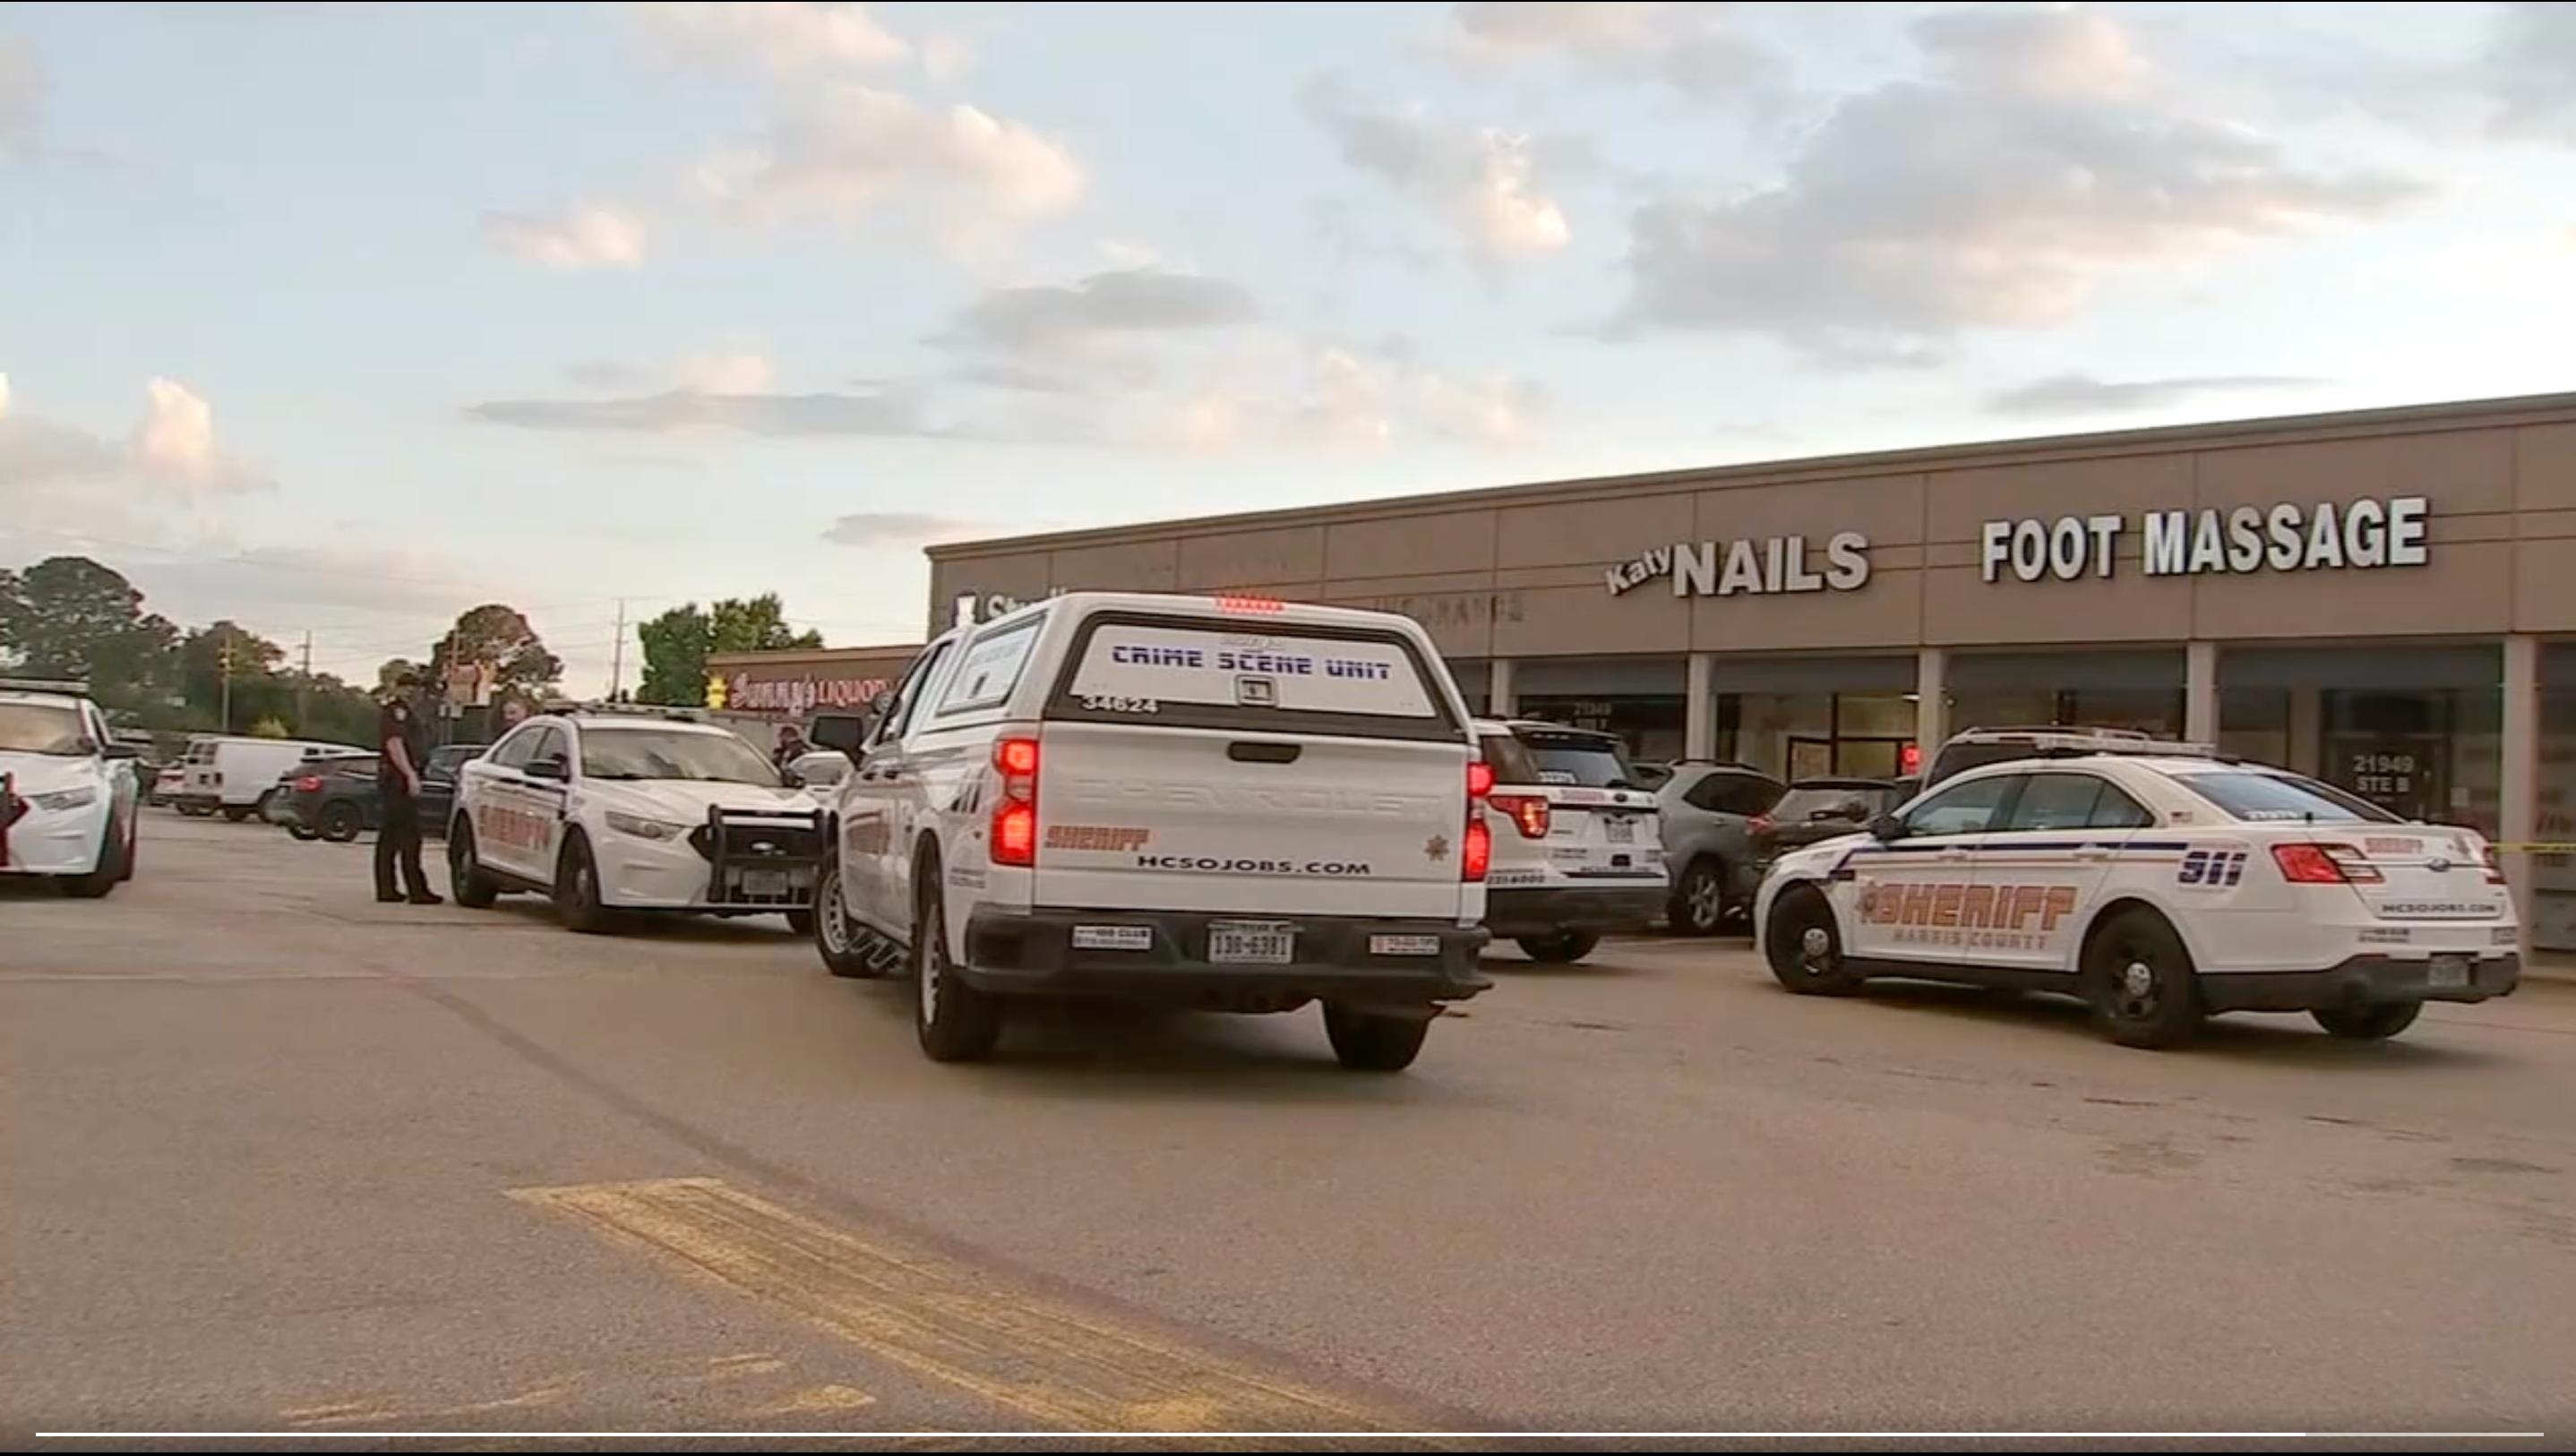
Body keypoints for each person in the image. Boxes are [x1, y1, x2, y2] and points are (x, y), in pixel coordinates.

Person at [374, 672, 442, 905]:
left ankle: (387, 888)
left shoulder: (408, 712)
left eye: (416, 687)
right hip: (398, 780)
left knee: (391, 837)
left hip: (396, 779)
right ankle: (417, 890)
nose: (413, 692)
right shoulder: (397, 711)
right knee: (409, 837)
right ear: (399, 688)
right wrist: (410, 775)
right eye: (409, 687)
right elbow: (395, 744)